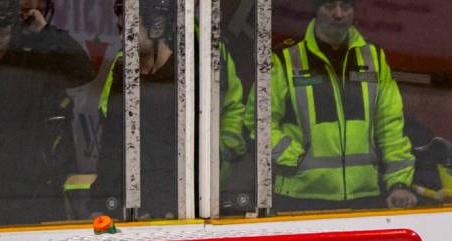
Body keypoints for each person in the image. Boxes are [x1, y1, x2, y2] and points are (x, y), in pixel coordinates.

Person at [83, 0, 246, 219]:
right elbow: (113, 144)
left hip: (187, 205)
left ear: (158, 26)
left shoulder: (200, 64)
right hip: (138, 206)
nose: (122, 39)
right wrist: (102, 202)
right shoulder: (123, 68)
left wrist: (171, 206)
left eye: (128, 30)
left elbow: (198, 146)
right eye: (119, 29)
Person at [0, 0, 94, 226]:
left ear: (13, 32)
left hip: (29, 198)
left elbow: (83, 70)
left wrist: (45, 31)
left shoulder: (31, 65)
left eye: (2, 33)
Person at [259, 0, 417, 214]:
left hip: (365, 196)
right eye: (329, 6)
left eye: (346, 6)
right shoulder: (286, 59)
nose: (338, 14)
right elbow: (258, 122)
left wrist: (399, 184)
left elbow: (390, 126)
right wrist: (294, 157)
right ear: (315, 10)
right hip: (300, 197)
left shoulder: (373, 57)